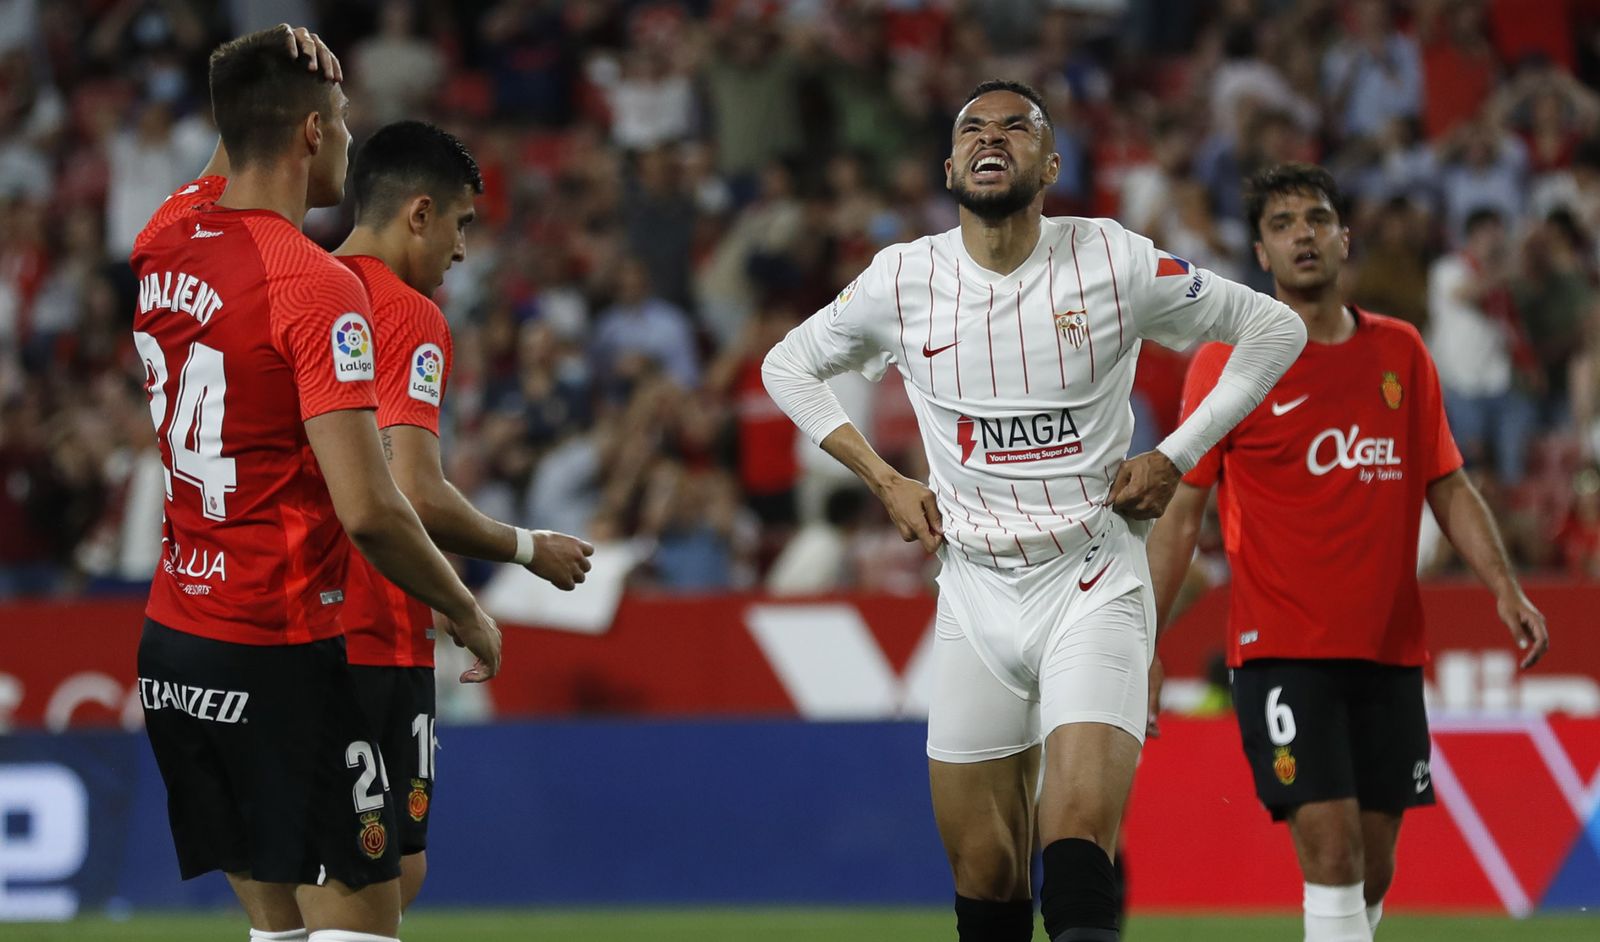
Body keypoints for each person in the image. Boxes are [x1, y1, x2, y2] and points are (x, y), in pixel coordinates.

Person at [762, 79, 1308, 942]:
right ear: (948, 165)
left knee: (1078, 838)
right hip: (972, 593)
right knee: (985, 877)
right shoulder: (903, 278)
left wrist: (1175, 454)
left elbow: (1275, 331)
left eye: (1017, 128)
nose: (993, 138)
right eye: (973, 129)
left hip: (1090, 577)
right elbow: (786, 366)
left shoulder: (1117, 261)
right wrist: (883, 478)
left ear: (1051, 163)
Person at [130, 26, 500, 942]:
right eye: (338, 120)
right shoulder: (314, 284)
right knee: (357, 928)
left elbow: (234, 131)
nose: (346, 138)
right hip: (280, 641)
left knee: (277, 930)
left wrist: (253, 61)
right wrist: (465, 604)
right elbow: (372, 506)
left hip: (177, 643)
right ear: (309, 134)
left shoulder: (165, 234)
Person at [1146, 163, 1550, 942]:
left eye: (1316, 218)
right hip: (1280, 649)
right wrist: (1146, 642)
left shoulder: (1399, 351)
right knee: (1329, 851)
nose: (1303, 233)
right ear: (1261, 253)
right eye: (1282, 223)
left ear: (1343, 238)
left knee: (1373, 864)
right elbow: (1181, 511)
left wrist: (1505, 586)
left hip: (1389, 650)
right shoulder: (1227, 361)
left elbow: (1449, 485)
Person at [330, 119, 595, 909]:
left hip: (273, 621)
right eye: (460, 223)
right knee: (377, 879)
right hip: (370, 629)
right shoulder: (406, 314)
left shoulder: (294, 288)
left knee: (326, 877)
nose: (462, 250)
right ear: (419, 213)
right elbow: (412, 489)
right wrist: (522, 549)